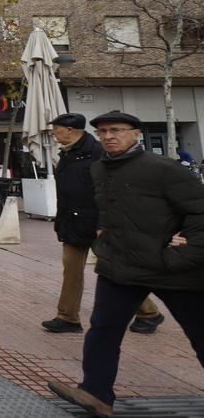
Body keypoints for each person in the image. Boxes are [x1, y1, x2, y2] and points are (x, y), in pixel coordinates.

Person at [48, 111, 204, 418]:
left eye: (116, 130)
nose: (108, 136)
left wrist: (184, 254)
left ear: (136, 133)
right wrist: (103, 239)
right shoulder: (99, 169)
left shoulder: (164, 169)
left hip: (173, 270)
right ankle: (95, 393)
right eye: (103, 131)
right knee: (103, 330)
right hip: (120, 267)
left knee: (200, 333)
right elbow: (106, 210)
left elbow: (199, 212)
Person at [41, 113, 163, 335]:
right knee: (71, 270)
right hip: (73, 222)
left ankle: (149, 312)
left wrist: (104, 222)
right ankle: (67, 317)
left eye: (56, 129)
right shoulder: (68, 153)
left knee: (117, 269)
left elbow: (110, 190)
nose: (53, 133)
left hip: (98, 224)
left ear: (71, 130)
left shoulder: (98, 153)